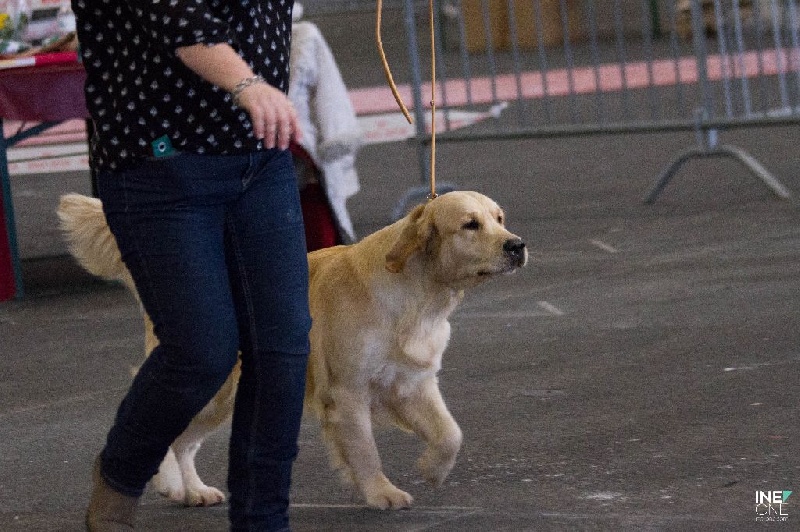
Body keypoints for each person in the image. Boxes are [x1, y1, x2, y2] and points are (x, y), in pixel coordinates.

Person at [72, 1, 312, 530]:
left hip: (260, 157)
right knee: (201, 351)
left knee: (283, 347)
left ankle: (264, 520)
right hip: (157, 163)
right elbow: (180, 16)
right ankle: (121, 473)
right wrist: (248, 85)